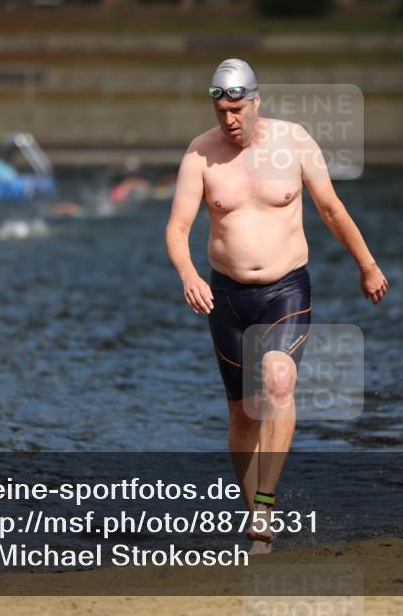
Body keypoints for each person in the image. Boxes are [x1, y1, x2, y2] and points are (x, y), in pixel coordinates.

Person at [165, 59, 388, 553]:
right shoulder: (200, 155)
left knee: (277, 379)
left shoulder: (294, 141)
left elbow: (330, 208)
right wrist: (187, 274)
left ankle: (266, 502)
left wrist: (367, 265)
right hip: (225, 296)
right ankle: (254, 517)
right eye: (221, 110)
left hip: (286, 289)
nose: (230, 120)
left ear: (257, 101)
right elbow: (177, 228)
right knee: (243, 414)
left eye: (238, 109)